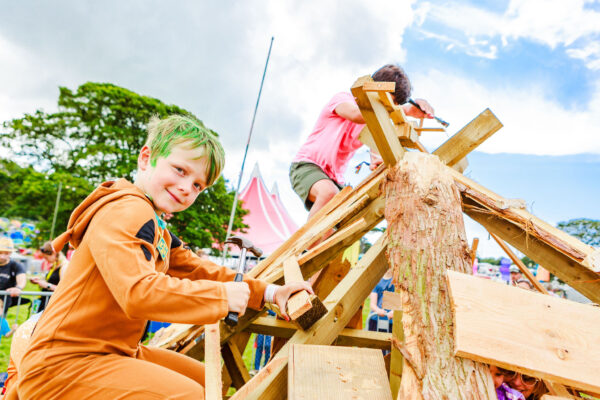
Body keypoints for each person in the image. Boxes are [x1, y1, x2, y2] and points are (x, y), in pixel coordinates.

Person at [16, 114, 312, 399]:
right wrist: (221, 297)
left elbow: (198, 269)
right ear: (146, 158)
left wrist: (272, 292)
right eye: (180, 170)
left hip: (112, 350)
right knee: (190, 396)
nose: (186, 188)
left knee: (209, 381)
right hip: (64, 364)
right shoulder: (127, 211)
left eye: (198, 185)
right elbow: (138, 293)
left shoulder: (155, 225)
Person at [289, 64, 434, 219]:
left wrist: (379, 163)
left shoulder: (372, 124)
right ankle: (310, 243)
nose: (387, 108)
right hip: (307, 165)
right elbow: (355, 114)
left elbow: (377, 152)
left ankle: (321, 240)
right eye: (386, 102)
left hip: (335, 180)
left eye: (392, 105)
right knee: (328, 194)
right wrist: (402, 110)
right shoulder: (343, 99)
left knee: (346, 220)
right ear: (372, 88)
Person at [29, 241, 68, 311]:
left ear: (54, 253)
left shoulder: (64, 267)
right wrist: (39, 281)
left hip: (53, 305)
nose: (45, 260)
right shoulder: (55, 265)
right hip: (45, 302)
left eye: (46, 257)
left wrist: (47, 285)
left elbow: (64, 289)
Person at [0, 238, 28, 316]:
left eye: (6, 253)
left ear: (10, 253)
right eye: (0, 253)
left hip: (4, 299)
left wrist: (18, 288)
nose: (2, 256)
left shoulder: (15, 265)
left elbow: (21, 279)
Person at [367, 267, 394, 334]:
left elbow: (400, 301)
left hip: (391, 321)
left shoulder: (395, 282)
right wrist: (378, 310)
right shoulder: (377, 281)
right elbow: (372, 304)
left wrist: (394, 312)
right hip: (376, 319)